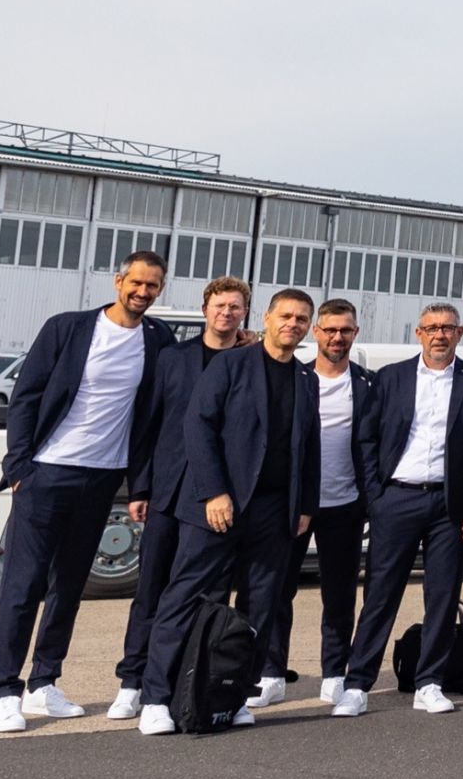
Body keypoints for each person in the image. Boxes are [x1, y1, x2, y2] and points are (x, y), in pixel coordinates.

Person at [0, 251, 179, 733]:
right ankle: (5, 692)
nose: (142, 292)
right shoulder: (69, 328)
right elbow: (27, 396)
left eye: (152, 286)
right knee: (23, 585)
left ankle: (44, 682)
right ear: (118, 281)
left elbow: (170, 395)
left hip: (103, 479)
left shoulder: (158, 338)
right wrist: (19, 467)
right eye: (136, 282)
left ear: (160, 289)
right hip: (47, 473)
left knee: (69, 587)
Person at [140, 288, 319, 734]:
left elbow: (310, 447)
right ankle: (156, 698)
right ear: (267, 318)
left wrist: (305, 506)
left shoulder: (306, 378)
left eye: (301, 319)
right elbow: (198, 426)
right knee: (185, 597)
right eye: (285, 316)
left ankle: (235, 696)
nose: (292, 324)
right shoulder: (231, 364)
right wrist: (214, 492)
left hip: (274, 512)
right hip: (219, 506)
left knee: (260, 605)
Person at [331, 303, 463, 717]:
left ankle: (429, 682)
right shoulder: (391, 377)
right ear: (418, 333)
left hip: (450, 504)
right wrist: (376, 496)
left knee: (443, 595)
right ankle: (357, 684)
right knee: (380, 594)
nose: (439, 335)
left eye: (447, 328)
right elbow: (366, 439)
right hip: (397, 499)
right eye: (431, 328)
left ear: (459, 333)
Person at [109, 274, 248, 720]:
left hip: (217, 496)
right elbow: (147, 423)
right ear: (205, 309)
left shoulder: (250, 361)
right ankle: (132, 680)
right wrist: (140, 487)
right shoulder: (173, 358)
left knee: (205, 592)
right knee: (151, 587)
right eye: (219, 305)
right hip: (168, 491)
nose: (226, 313)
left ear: (245, 313)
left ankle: (189, 679)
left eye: (235, 307)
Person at [275, 297, 375, 708]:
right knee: (278, 590)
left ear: (355, 333)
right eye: (330, 329)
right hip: (294, 504)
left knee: (339, 595)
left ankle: (335, 672)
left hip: (345, 504)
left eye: (345, 330)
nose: (337, 337)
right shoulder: (293, 377)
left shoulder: (369, 384)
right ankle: (271, 671)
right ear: (316, 332)